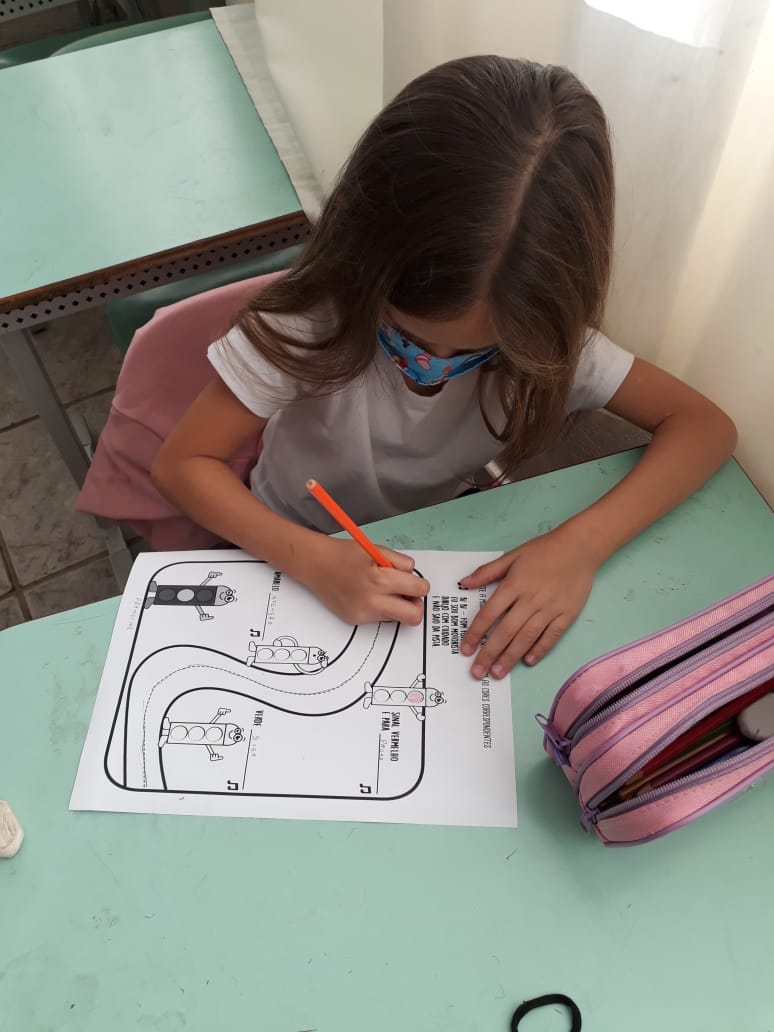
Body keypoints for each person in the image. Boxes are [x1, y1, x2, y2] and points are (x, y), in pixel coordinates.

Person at [151, 56, 737, 682]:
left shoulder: (548, 341)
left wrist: (580, 546)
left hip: (432, 537)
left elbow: (705, 427)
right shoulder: (307, 323)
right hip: (289, 537)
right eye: (407, 337)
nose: (431, 370)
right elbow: (181, 466)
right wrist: (314, 560)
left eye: (477, 353)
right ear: (364, 257)